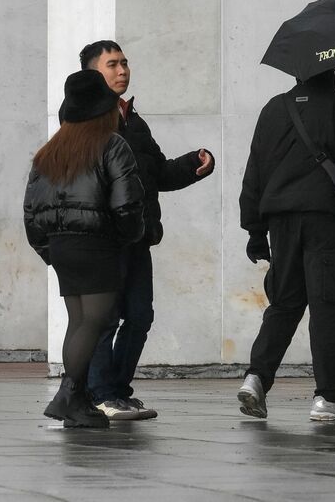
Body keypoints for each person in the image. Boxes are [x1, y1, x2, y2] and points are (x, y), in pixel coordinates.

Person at [236, 69, 335, 421]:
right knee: (328, 308)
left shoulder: (273, 110)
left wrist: (254, 230)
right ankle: (330, 398)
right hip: (324, 222)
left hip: (280, 223)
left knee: (283, 304)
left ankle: (256, 378)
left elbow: (255, 171)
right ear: (332, 71)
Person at [77, 40, 216, 421]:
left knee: (140, 316)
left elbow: (156, 174)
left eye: (124, 63)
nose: (123, 71)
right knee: (103, 318)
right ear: (93, 73)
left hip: (138, 237)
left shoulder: (134, 121)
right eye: (112, 65)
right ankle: (100, 393)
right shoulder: (86, 121)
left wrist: (193, 164)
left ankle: (118, 391)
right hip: (103, 240)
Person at [24, 70, 145, 429]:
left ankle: (74, 400)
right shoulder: (111, 145)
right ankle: (69, 394)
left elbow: (31, 210)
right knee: (94, 321)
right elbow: (126, 205)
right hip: (97, 245)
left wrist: (48, 250)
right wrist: (127, 237)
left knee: (79, 322)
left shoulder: (50, 151)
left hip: (62, 247)